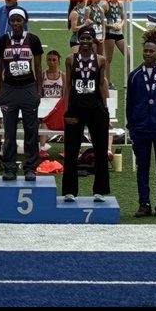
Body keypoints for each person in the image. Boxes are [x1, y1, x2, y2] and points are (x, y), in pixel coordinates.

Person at [62, 24, 110, 202]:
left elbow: (101, 84)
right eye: (82, 38)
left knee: (100, 148)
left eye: (88, 38)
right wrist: (66, 109)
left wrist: (105, 108)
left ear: (93, 40)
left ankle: (100, 190)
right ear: (78, 40)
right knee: (72, 149)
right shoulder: (70, 59)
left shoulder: (100, 60)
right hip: (76, 108)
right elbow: (67, 86)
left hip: (95, 108)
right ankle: (69, 190)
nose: (85, 42)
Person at [0, 8, 43, 182]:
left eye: (18, 20)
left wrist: (38, 92)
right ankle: (10, 168)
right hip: (9, 90)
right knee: (9, 132)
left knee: (31, 131)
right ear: (8, 22)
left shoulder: (33, 40)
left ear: (24, 21)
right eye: (12, 20)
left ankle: (30, 168)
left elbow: (38, 67)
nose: (15, 23)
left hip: (28, 88)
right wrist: (0, 93)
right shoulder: (2, 41)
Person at [126, 28, 156, 217]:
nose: (148, 54)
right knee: (143, 168)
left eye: (152, 51)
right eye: (146, 50)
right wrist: (131, 127)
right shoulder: (134, 75)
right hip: (140, 129)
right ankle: (144, 203)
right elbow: (129, 103)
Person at [104, 0, 130, 85]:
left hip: (119, 32)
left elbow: (123, 18)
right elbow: (99, 21)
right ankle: (108, 82)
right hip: (109, 33)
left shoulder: (120, 4)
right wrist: (111, 26)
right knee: (109, 58)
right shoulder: (106, 5)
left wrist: (120, 25)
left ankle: (129, 79)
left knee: (128, 55)